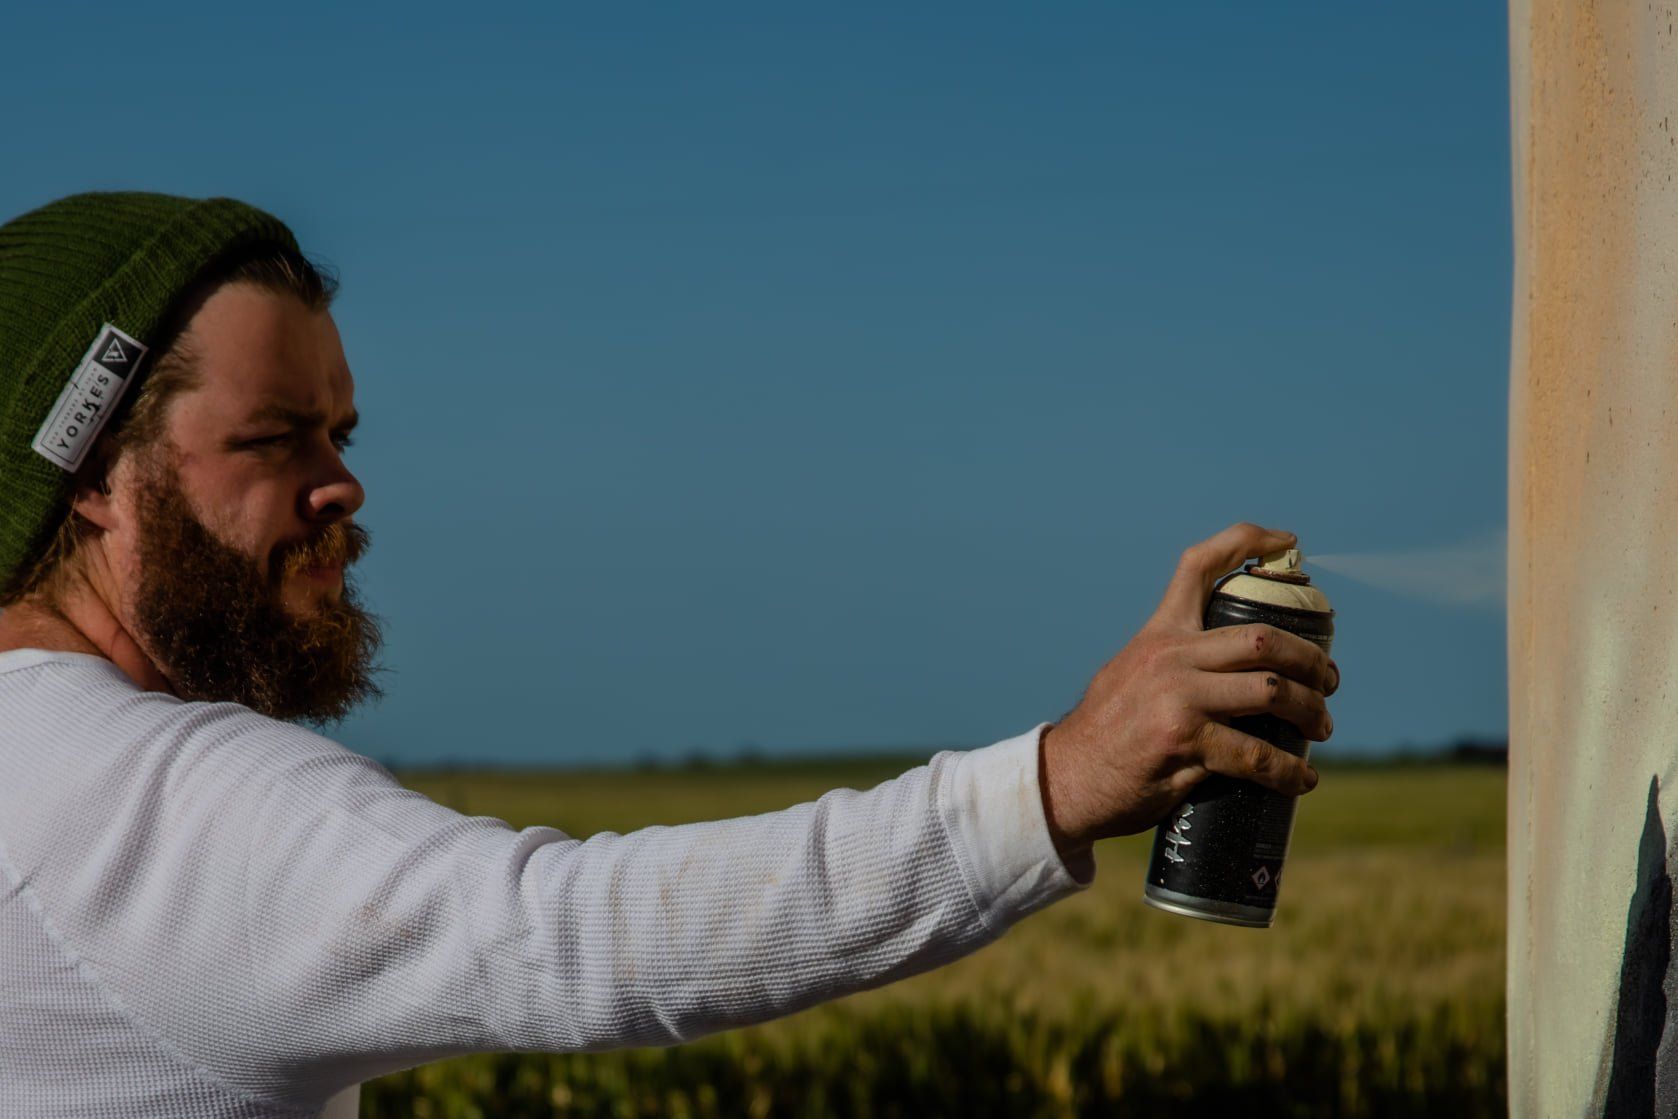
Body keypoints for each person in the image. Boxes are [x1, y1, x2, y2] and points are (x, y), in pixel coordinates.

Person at [0, 192, 1338, 1117]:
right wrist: (1054, 782)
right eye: (274, 437)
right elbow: (562, 939)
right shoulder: (146, 802)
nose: (342, 487)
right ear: (92, 478)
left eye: (344, 435)